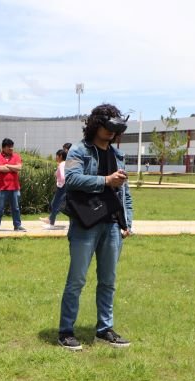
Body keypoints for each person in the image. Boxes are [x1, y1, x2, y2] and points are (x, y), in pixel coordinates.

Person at [58, 103, 134, 351]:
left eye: (115, 128)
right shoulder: (79, 150)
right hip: (85, 225)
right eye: (107, 126)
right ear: (95, 125)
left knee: (108, 281)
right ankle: (66, 332)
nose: (111, 132)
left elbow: (126, 193)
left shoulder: (117, 154)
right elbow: (71, 179)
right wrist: (105, 180)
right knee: (77, 280)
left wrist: (127, 222)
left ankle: (105, 329)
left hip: (112, 225)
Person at [0, 138, 25, 232]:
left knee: (16, 208)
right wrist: (13, 168)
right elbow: (0, 168)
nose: (11, 149)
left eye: (12, 147)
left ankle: (17, 226)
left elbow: (19, 167)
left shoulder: (16, 156)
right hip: (2, 188)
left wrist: (8, 165)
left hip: (14, 188)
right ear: (4, 147)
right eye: (9, 147)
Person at [40, 148, 68, 229]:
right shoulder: (66, 164)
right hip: (64, 187)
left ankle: (51, 223)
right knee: (55, 204)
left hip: (62, 187)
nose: (56, 157)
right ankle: (50, 220)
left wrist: (60, 184)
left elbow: (63, 177)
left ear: (61, 156)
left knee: (55, 205)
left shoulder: (62, 164)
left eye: (57, 156)